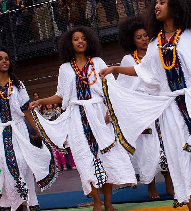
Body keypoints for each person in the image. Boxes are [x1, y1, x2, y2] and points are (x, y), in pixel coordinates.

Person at [100, 0, 191, 210]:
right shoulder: (155, 44)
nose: (157, 6)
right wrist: (116, 69)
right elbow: (144, 72)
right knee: (180, 156)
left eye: (162, 2)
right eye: (156, 3)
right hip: (171, 110)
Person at [29, 26, 136, 211]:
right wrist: (41, 101)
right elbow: (61, 96)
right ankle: (97, 201)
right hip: (77, 119)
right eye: (76, 39)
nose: (80, 41)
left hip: (99, 114)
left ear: (89, 42)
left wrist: (110, 112)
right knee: (84, 160)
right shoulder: (65, 69)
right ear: (69, 44)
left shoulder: (98, 62)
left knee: (106, 157)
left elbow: (109, 89)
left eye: (83, 38)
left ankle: (108, 203)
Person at [118, 16, 174, 199]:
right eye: (138, 37)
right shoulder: (128, 60)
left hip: (160, 105)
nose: (143, 39)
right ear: (131, 40)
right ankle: (150, 186)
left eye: (145, 35)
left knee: (167, 144)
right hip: (141, 109)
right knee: (147, 149)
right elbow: (123, 87)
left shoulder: (156, 54)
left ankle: (170, 183)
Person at [0, 47, 56, 210]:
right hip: (1, 133)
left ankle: (26, 203)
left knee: (23, 164)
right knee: (7, 167)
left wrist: (37, 130)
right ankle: (12, 204)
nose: (4, 61)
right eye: (1, 58)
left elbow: (26, 110)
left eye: (6, 58)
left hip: (19, 132)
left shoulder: (17, 84)